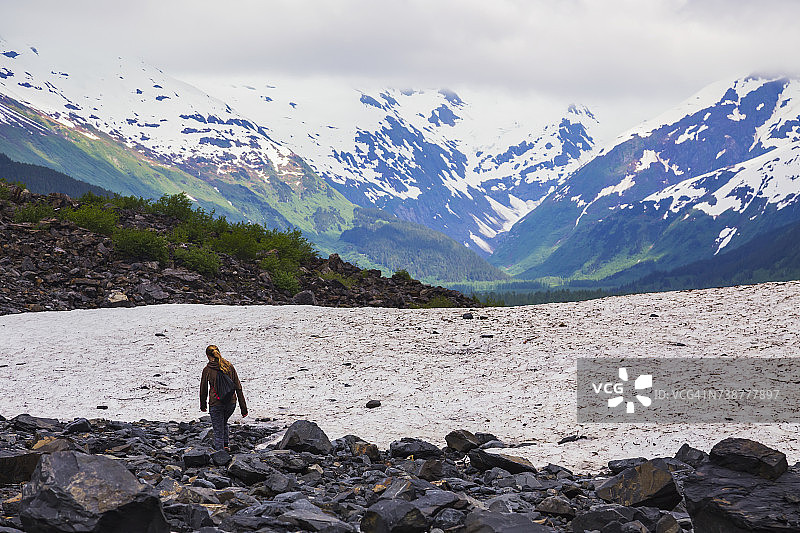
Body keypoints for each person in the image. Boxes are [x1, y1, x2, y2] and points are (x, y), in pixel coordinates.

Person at [200, 345, 247, 450]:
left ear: (207, 356)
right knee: (223, 422)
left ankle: (220, 453)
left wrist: (203, 405)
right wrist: (244, 409)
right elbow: (238, 387)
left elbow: (203, 389)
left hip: (216, 403)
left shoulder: (207, 370)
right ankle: (226, 446)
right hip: (231, 403)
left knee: (217, 429)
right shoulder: (229, 366)